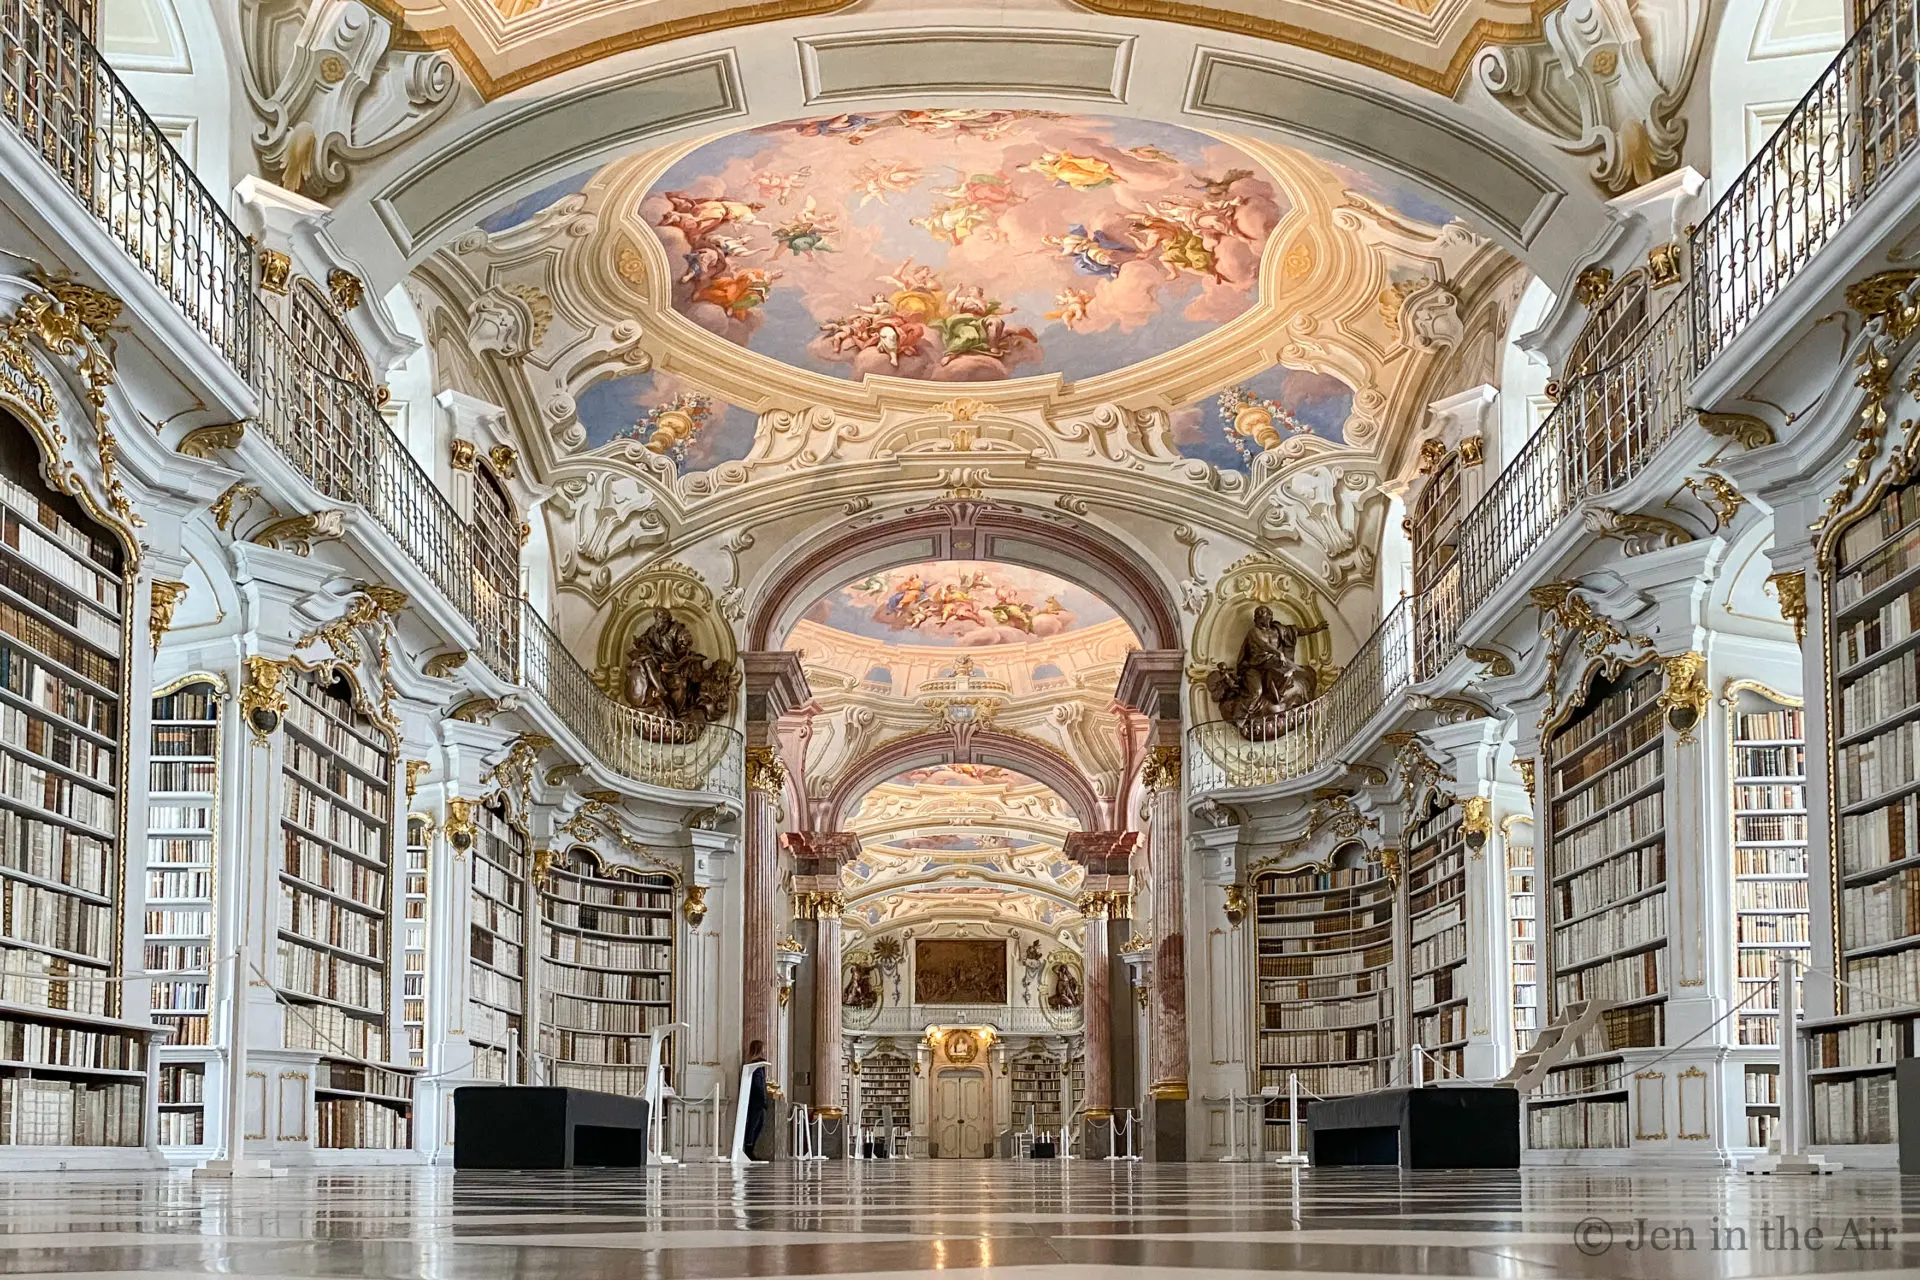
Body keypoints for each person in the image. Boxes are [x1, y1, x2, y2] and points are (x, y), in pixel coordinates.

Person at [743, 1040, 769, 1158]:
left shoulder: (759, 1065)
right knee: (754, 1125)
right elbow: (759, 1084)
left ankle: (751, 1148)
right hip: (756, 1100)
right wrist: (763, 1099)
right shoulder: (756, 1065)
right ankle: (749, 1149)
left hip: (758, 1099)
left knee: (759, 1124)